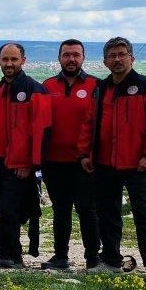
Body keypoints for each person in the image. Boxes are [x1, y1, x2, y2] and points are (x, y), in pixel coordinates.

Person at [79, 36, 146, 286]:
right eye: (112, 56)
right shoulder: (101, 89)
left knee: (144, 215)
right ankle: (110, 261)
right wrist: (86, 153)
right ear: (105, 61)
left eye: (122, 54)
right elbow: (89, 124)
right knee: (107, 214)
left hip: (138, 164)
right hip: (105, 164)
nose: (117, 59)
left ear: (132, 57)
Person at [0, 43, 50, 268]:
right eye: (5, 60)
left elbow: (41, 129)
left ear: (23, 60)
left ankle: (7, 254)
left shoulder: (34, 89)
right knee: (2, 209)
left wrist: (31, 164)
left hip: (20, 163)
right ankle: (12, 253)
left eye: (14, 59)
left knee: (10, 209)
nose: (9, 64)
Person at [41, 39, 101, 271]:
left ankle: (93, 258)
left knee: (87, 210)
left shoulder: (97, 86)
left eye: (76, 55)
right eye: (66, 55)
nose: (71, 59)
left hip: (85, 162)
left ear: (83, 58)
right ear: (59, 58)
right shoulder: (47, 86)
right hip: (54, 161)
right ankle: (60, 256)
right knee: (61, 211)